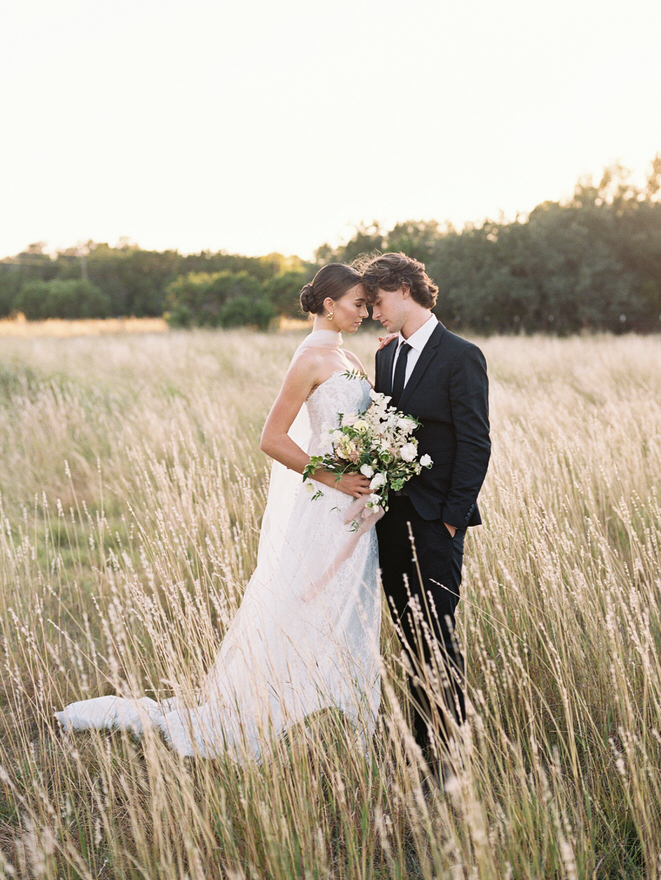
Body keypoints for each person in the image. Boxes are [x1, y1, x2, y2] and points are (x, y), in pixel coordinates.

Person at [55, 264, 382, 762]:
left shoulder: (350, 355)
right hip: (326, 501)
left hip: (357, 506)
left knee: (348, 606)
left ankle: (340, 710)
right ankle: (282, 706)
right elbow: (271, 439)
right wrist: (335, 477)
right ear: (329, 303)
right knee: (308, 602)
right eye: (359, 303)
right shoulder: (310, 359)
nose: (366, 311)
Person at [359, 252, 491, 773]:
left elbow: (476, 442)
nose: (373, 314)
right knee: (408, 634)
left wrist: (453, 517)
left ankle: (453, 755)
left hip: (438, 522)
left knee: (437, 635)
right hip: (391, 520)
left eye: (377, 302)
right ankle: (419, 747)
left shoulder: (462, 355)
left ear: (403, 289)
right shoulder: (386, 356)